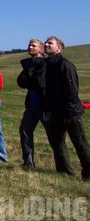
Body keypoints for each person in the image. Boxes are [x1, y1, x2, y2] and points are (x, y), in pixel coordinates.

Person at [43, 36, 90, 180]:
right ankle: (64, 171)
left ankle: (88, 174)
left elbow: (72, 91)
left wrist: (68, 111)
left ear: (59, 48)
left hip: (70, 112)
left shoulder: (65, 65)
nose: (46, 45)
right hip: (55, 112)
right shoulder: (48, 65)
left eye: (50, 43)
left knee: (80, 144)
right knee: (56, 142)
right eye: (46, 43)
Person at [17, 38, 47, 170]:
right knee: (25, 130)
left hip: (45, 105)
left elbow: (39, 83)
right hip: (31, 105)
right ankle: (28, 163)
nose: (30, 48)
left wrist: (29, 79)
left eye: (33, 46)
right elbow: (20, 82)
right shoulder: (28, 65)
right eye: (29, 45)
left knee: (53, 136)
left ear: (41, 49)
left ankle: (63, 168)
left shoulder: (45, 64)